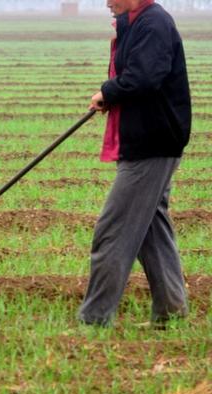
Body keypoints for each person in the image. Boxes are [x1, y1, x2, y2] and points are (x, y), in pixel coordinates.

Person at [78, 0, 191, 326]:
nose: (107, 2)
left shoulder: (153, 23)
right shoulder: (137, 22)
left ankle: (95, 319)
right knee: (151, 230)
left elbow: (143, 77)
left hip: (151, 144)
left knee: (112, 231)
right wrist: (112, 93)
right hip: (148, 140)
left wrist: (108, 92)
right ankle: (171, 312)